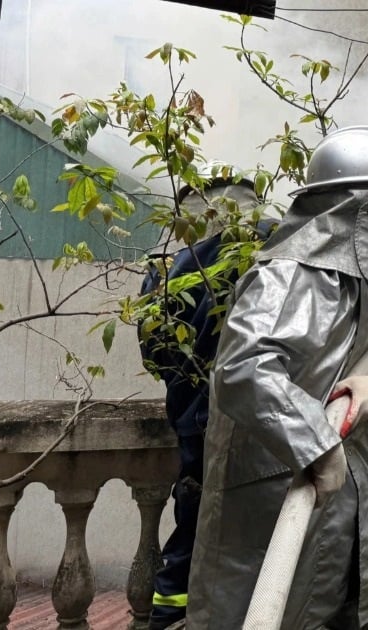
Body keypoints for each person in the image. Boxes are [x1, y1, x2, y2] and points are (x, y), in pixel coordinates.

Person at [186, 125, 368, 629]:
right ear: (364, 208)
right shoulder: (287, 278)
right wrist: (318, 443)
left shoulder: (354, 284)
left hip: (342, 501)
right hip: (276, 501)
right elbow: (244, 369)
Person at [137, 164, 270, 630]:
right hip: (265, 427)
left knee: (194, 536)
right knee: (257, 544)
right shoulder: (269, 254)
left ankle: (168, 619)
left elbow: (155, 356)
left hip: (196, 422)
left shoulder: (163, 272)